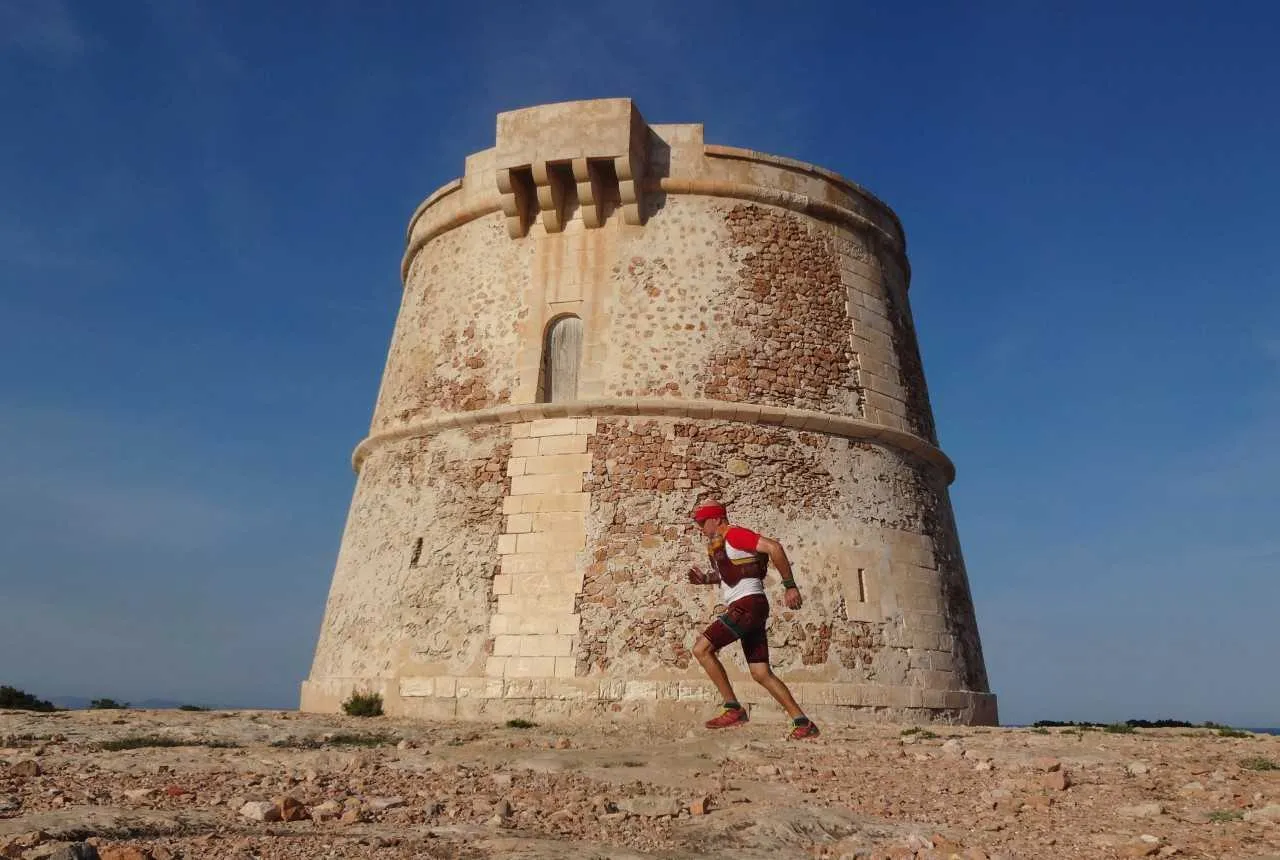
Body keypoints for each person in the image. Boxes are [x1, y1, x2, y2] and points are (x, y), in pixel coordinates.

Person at [686, 500, 820, 739]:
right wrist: (704, 580)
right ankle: (803, 722)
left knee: (702, 649)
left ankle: (733, 708)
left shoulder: (736, 534)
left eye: (702, 522)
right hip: (751, 606)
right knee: (760, 673)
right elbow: (728, 575)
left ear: (717, 519)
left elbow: (774, 547)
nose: (700, 528)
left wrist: (789, 586)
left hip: (747, 604)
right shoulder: (720, 544)